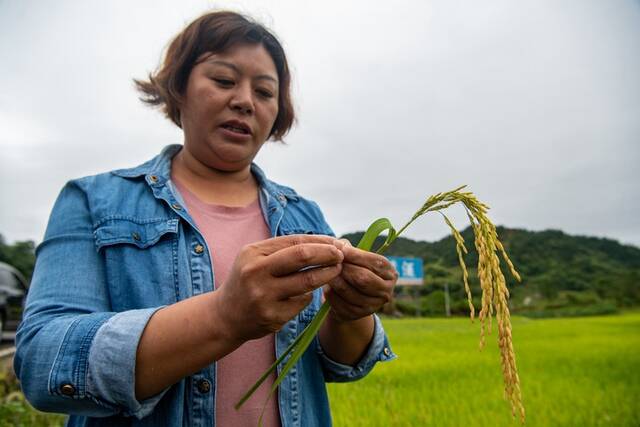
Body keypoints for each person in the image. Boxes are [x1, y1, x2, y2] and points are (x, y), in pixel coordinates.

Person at [15, 10, 397, 427]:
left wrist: (350, 312)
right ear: (179, 88)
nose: (244, 101)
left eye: (265, 92)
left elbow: (338, 362)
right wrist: (222, 317)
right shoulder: (94, 201)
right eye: (223, 80)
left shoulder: (305, 217)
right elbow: (42, 362)